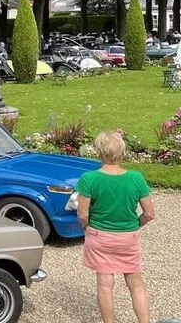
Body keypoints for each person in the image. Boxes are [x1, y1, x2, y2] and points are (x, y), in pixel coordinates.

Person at [77, 131, 155, 323]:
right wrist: (137, 223)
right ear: (122, 152)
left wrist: (87, 228)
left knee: (105, 284)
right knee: (136, 284)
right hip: (129, 237)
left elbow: (83, 214)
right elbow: (150, 213)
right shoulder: (136, 178)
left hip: (99, 236)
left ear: (99, 152)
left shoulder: (89, 179)